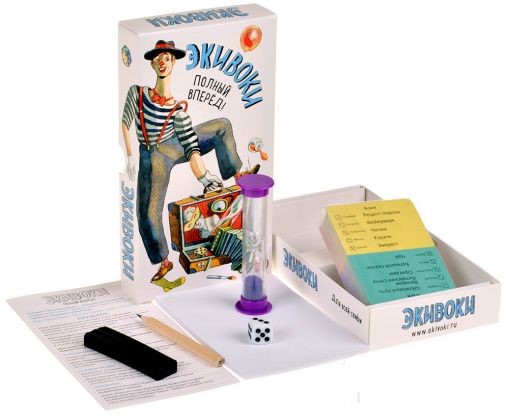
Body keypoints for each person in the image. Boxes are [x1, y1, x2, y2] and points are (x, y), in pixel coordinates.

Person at [122, 40, 258, 282]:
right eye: (158, 59)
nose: (162, 62)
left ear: (173, 62)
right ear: (152, 63)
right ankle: (164, 261)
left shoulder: (178, 111)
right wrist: (130, 154)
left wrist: (205, 179)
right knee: (147, 214)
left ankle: (238, 174)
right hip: (153, 154)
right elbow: (125, 123)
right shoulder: (137, 93)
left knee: (222, 126)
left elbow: (191, 147)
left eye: (167, 58)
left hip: (173, 144)